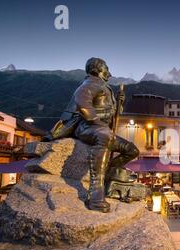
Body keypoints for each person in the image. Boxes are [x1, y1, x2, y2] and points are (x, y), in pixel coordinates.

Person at [46, 58, 139, 212]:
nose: (109, 73)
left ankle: (108, 171)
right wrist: (96, 121)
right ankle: (95, 196)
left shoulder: (103, 86)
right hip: (86, 127)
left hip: (101, 129)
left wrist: (120, 103)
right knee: (104, 135)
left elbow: (112, 113)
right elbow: (81, 101)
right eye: (106, 69)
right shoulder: (92, 82)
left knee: (132, 150)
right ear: (97, 69)